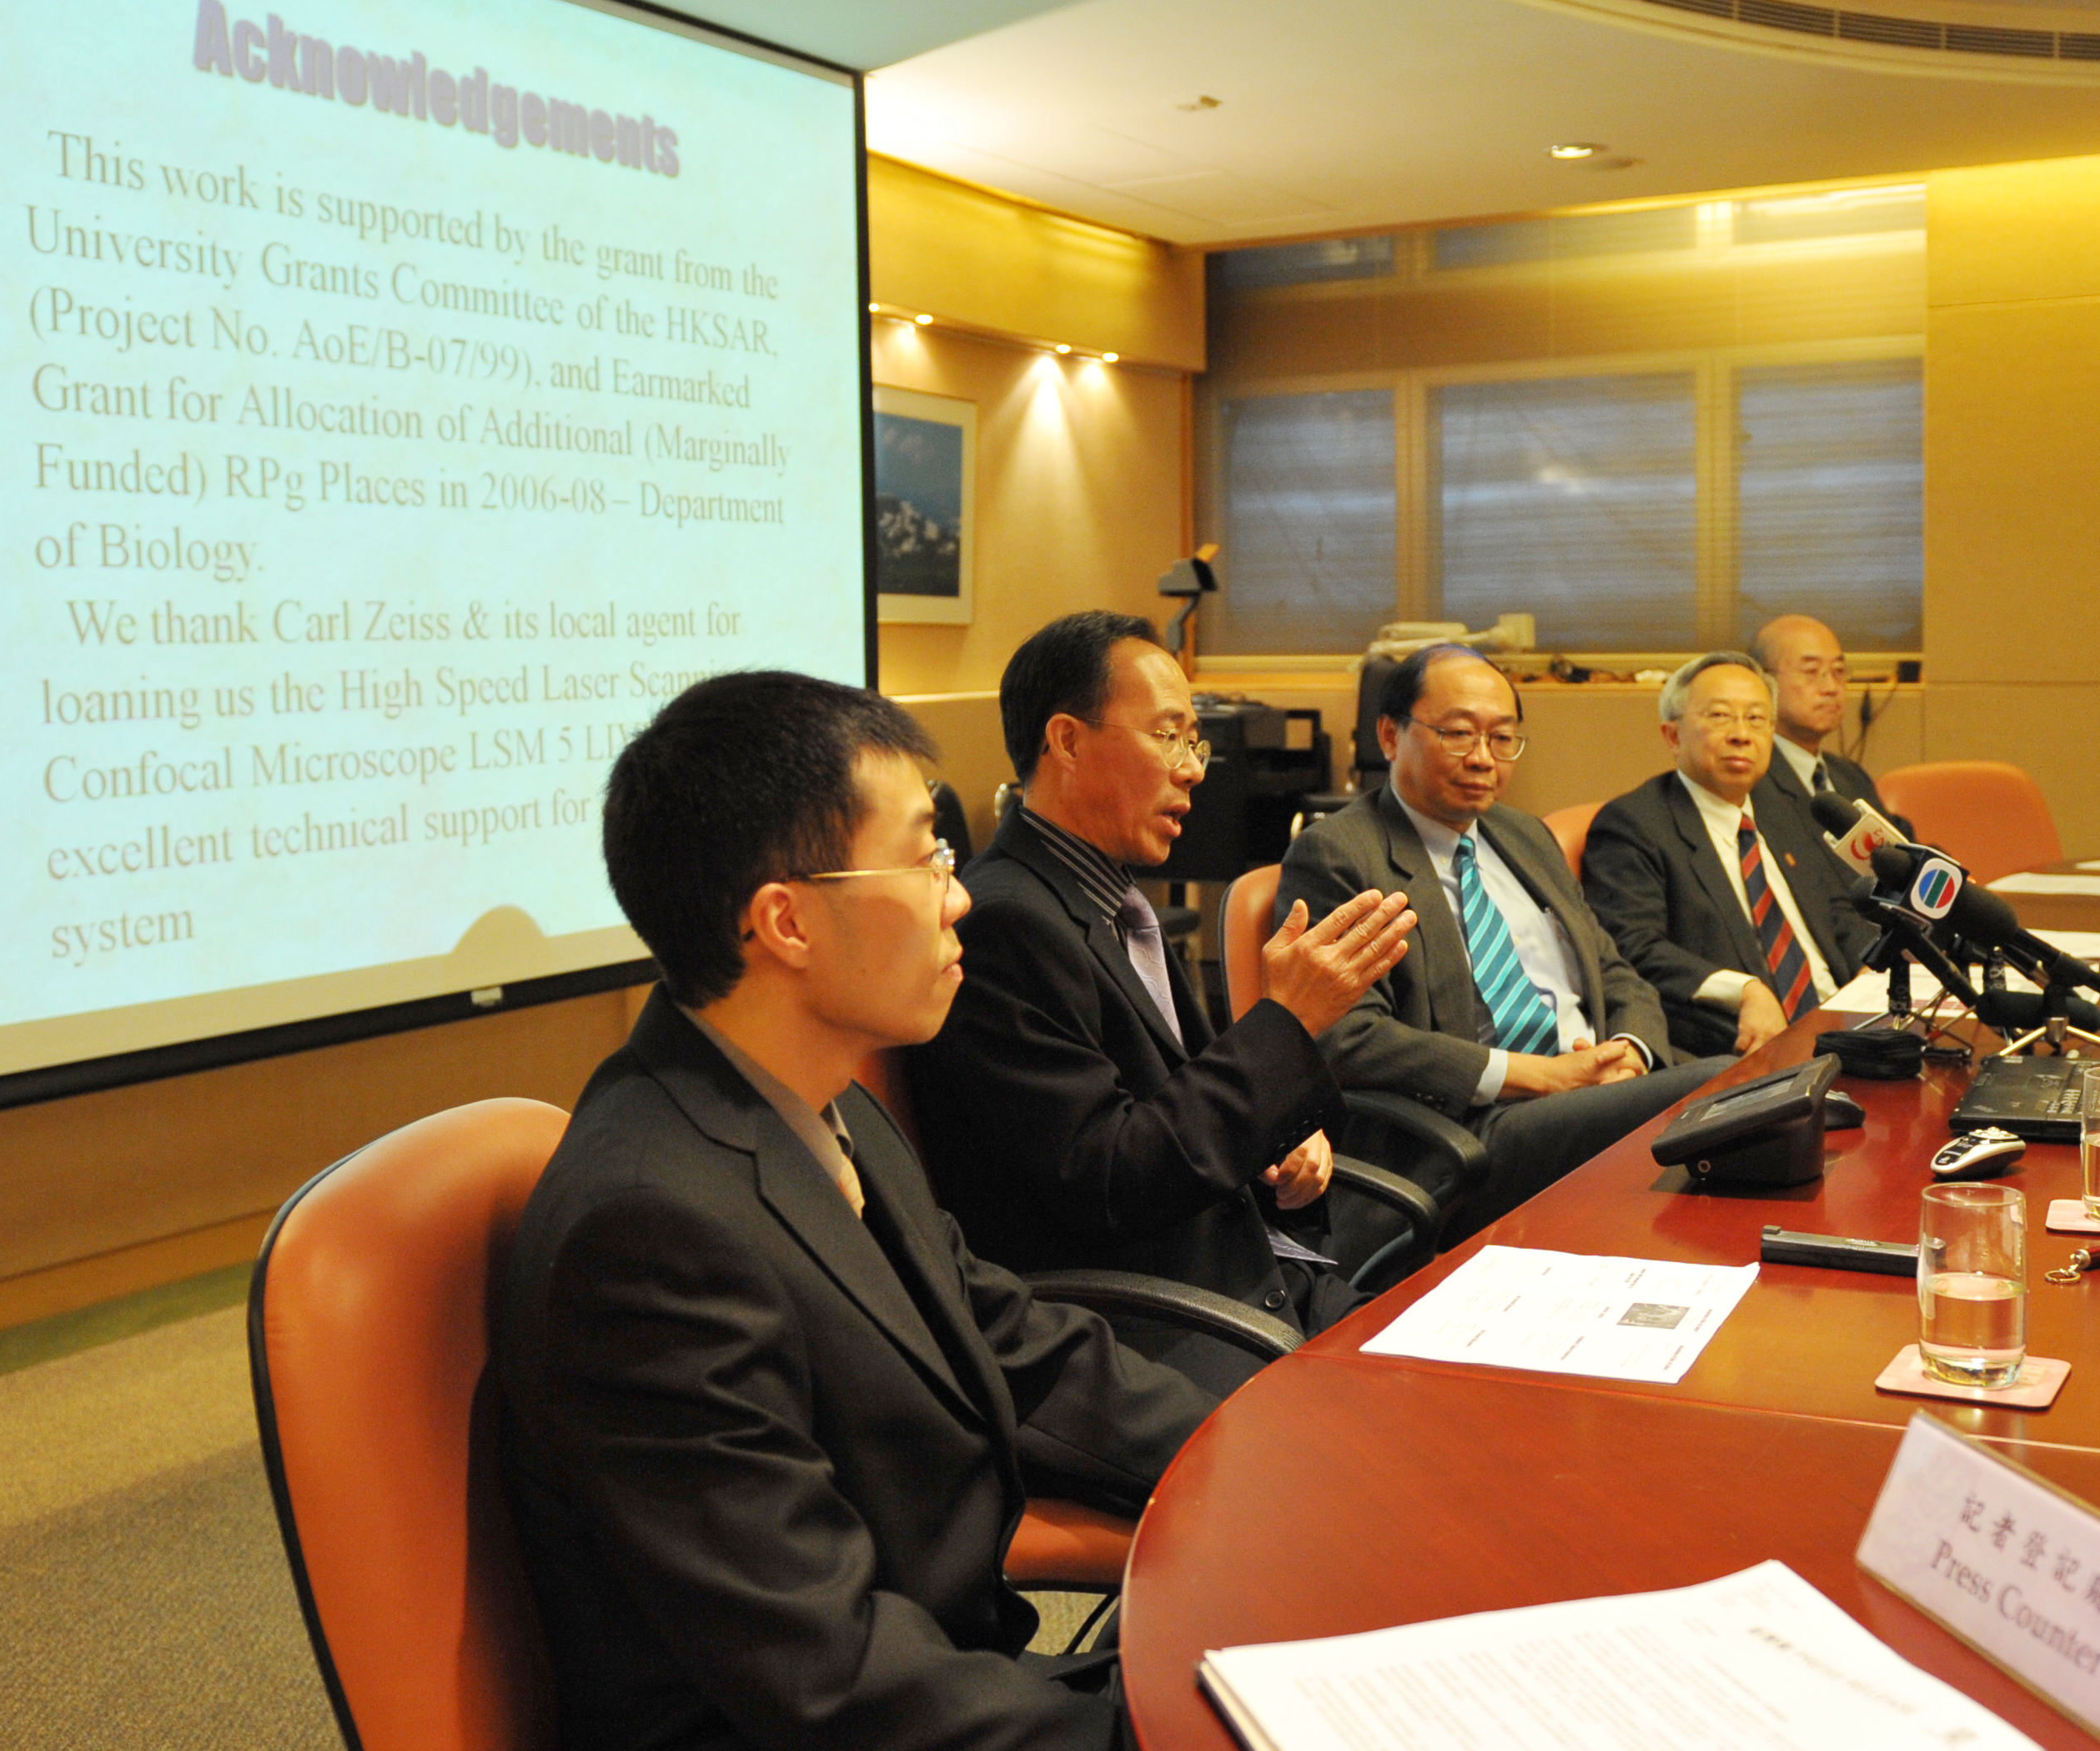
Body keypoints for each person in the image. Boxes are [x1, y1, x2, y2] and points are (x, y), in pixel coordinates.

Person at [495, 670, 1218, 1751]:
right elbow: (830, 1675)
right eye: (928, 855)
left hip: (947, 1670)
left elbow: (1024, 1347)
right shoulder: (648, 1232)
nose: (960, 892)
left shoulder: (826, 1101)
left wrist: (1248, 1459)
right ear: (785, 920)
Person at [906, 612, 1415, 1395]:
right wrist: (1285, 1026)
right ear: (1067, 742)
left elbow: (1181, 1102)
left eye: (1195, 742)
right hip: (1157, 1329)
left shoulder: (1105, 895)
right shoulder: (1006, 921)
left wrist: (1284, 1137)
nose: (1194, 770)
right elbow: (1112, 1177)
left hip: (1260, 1273)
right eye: (1169, 737)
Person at [1278, 645, 1730, 1243]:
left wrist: (1630, 1055)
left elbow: (1614, 970)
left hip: (1592, 1091)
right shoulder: (1340, 854)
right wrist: (1545, 1076)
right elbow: (1348, 1036)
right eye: (1460, 734)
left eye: (1503, 738)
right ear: (1390, 735)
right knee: (1724, 1084)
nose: (1484, 759)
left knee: (1754, 1101)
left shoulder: (1523, 834)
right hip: (1472, 1127)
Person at [1583, 652, 1874, 1059]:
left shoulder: (1783, 811)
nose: (1741, 734)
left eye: (1756, 719)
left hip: (1845, 1027)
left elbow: (1834, 910)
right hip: (1739, 1042)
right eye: (1720, 716)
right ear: (1672, 736)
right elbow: (1633, 947)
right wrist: (1744, 990)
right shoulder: (1633, 825)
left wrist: (1871, 968)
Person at [1746, 614, 1907, 833]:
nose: (1831, 687)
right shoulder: (1748, 778)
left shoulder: (1850, 776)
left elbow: (1902, 850)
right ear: (1763, 681)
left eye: (1838, 671)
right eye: (1811, 672)